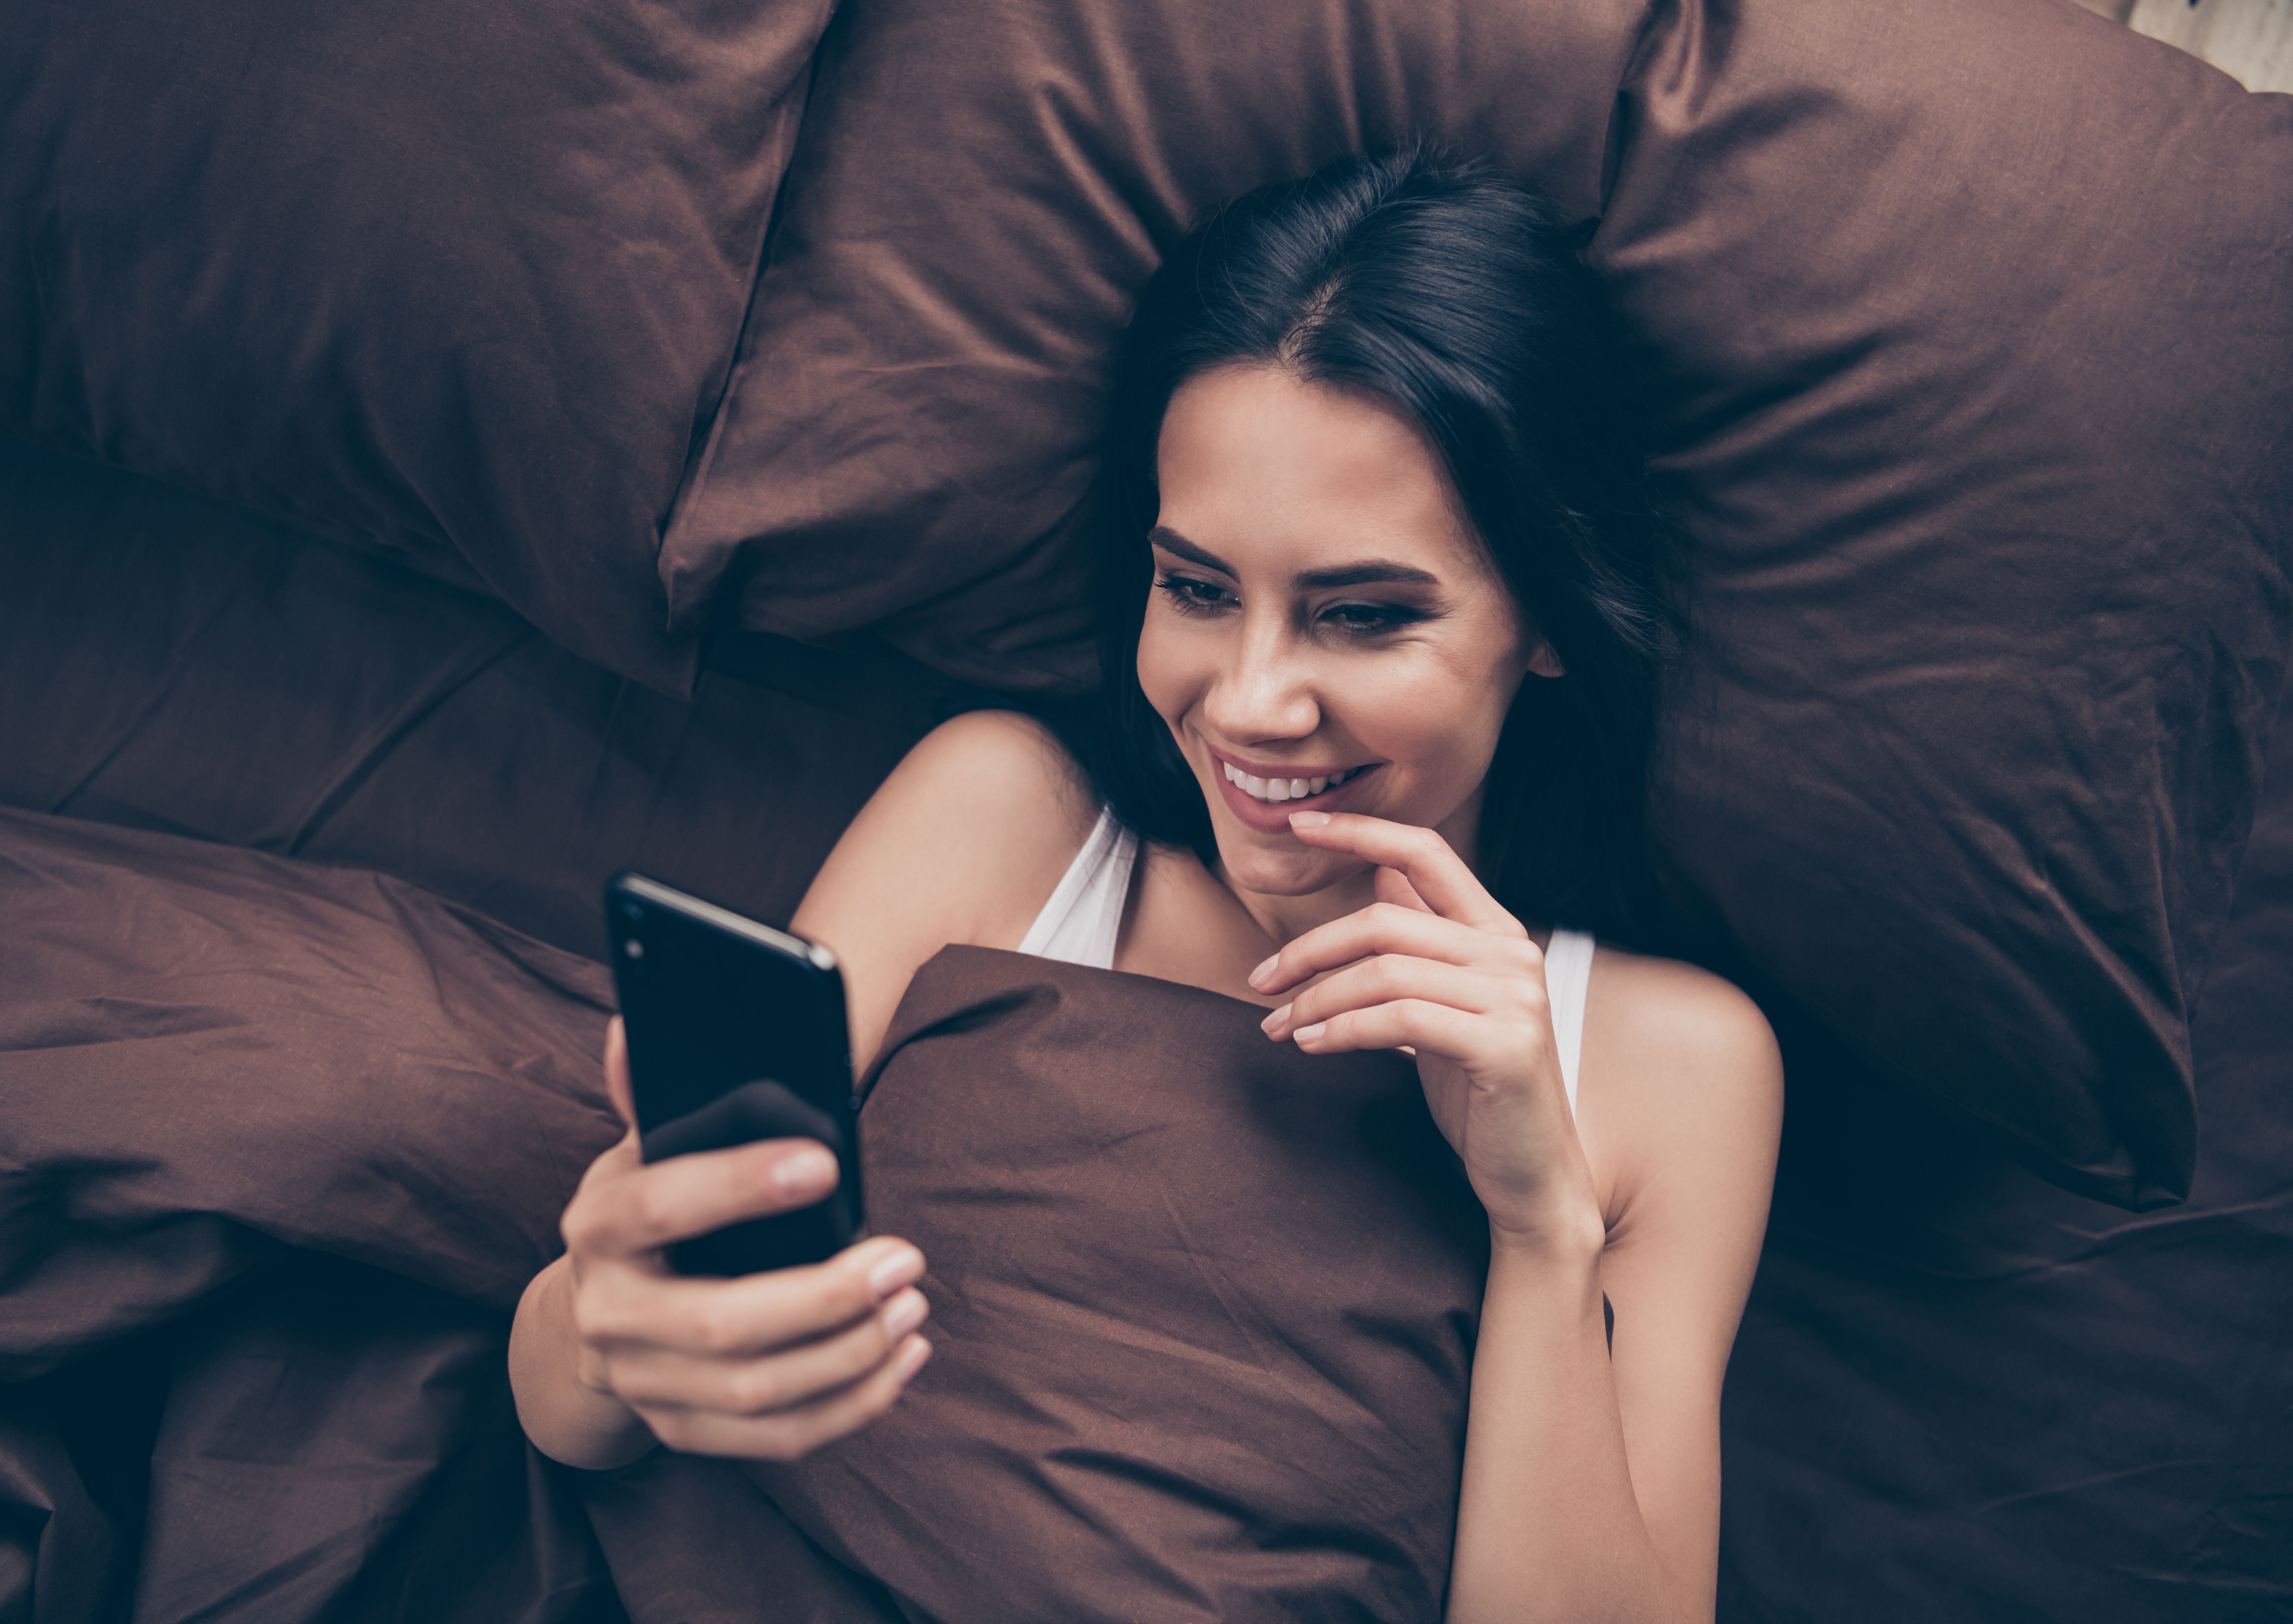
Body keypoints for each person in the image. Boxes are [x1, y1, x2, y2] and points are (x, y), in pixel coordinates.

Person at [509, 148, 1781, 1622]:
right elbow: (569, 1406)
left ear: (1552, 621)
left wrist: (1539, 1224)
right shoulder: (1004, 818)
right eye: (1195, 589)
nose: (1248, 703)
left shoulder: (1675, 1065)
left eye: (1361, 616)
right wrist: (608, 1326)